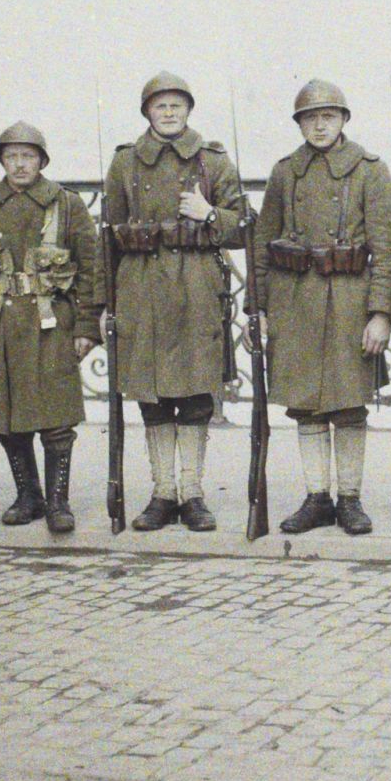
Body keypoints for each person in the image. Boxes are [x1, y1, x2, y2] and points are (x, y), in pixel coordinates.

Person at [248, 79, 391, 536]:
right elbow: (261, 243)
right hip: (294, 299)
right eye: (310, 118)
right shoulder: (284, 172)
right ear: (299, 123)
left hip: (350, 299)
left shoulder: (369, 170)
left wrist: (381, 314)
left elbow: (387, 249)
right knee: (306, 405)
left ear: (344, 121)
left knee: (348, 402)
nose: (319, 125)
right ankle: (317, 496)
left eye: (328, 117)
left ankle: (350, 498)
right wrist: (257, 309)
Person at [103, 72, 248, 533]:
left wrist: (211, 215)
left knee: (195, 393)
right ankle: (162, 492)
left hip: (197, 287)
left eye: (177, 105)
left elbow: (246, 228)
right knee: (152, 393)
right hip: (141, 288)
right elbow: (106, 238)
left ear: (189, 110)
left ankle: (193, 492)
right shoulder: (125, 163)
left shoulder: (213, 160)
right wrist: (102, 305)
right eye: (160, 106)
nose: (169, 113)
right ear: (147, 111)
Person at [0, 122, 102, 534]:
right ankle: (28, 494)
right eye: (11, 157)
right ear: (2, 161)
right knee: (5, 416)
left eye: (28, 156)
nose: (20, 164)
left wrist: (86, 327)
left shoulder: (67, 204)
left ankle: (58, 501)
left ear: (42, 160)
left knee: (56, 418)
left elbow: (92, 271)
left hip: (52, 324)